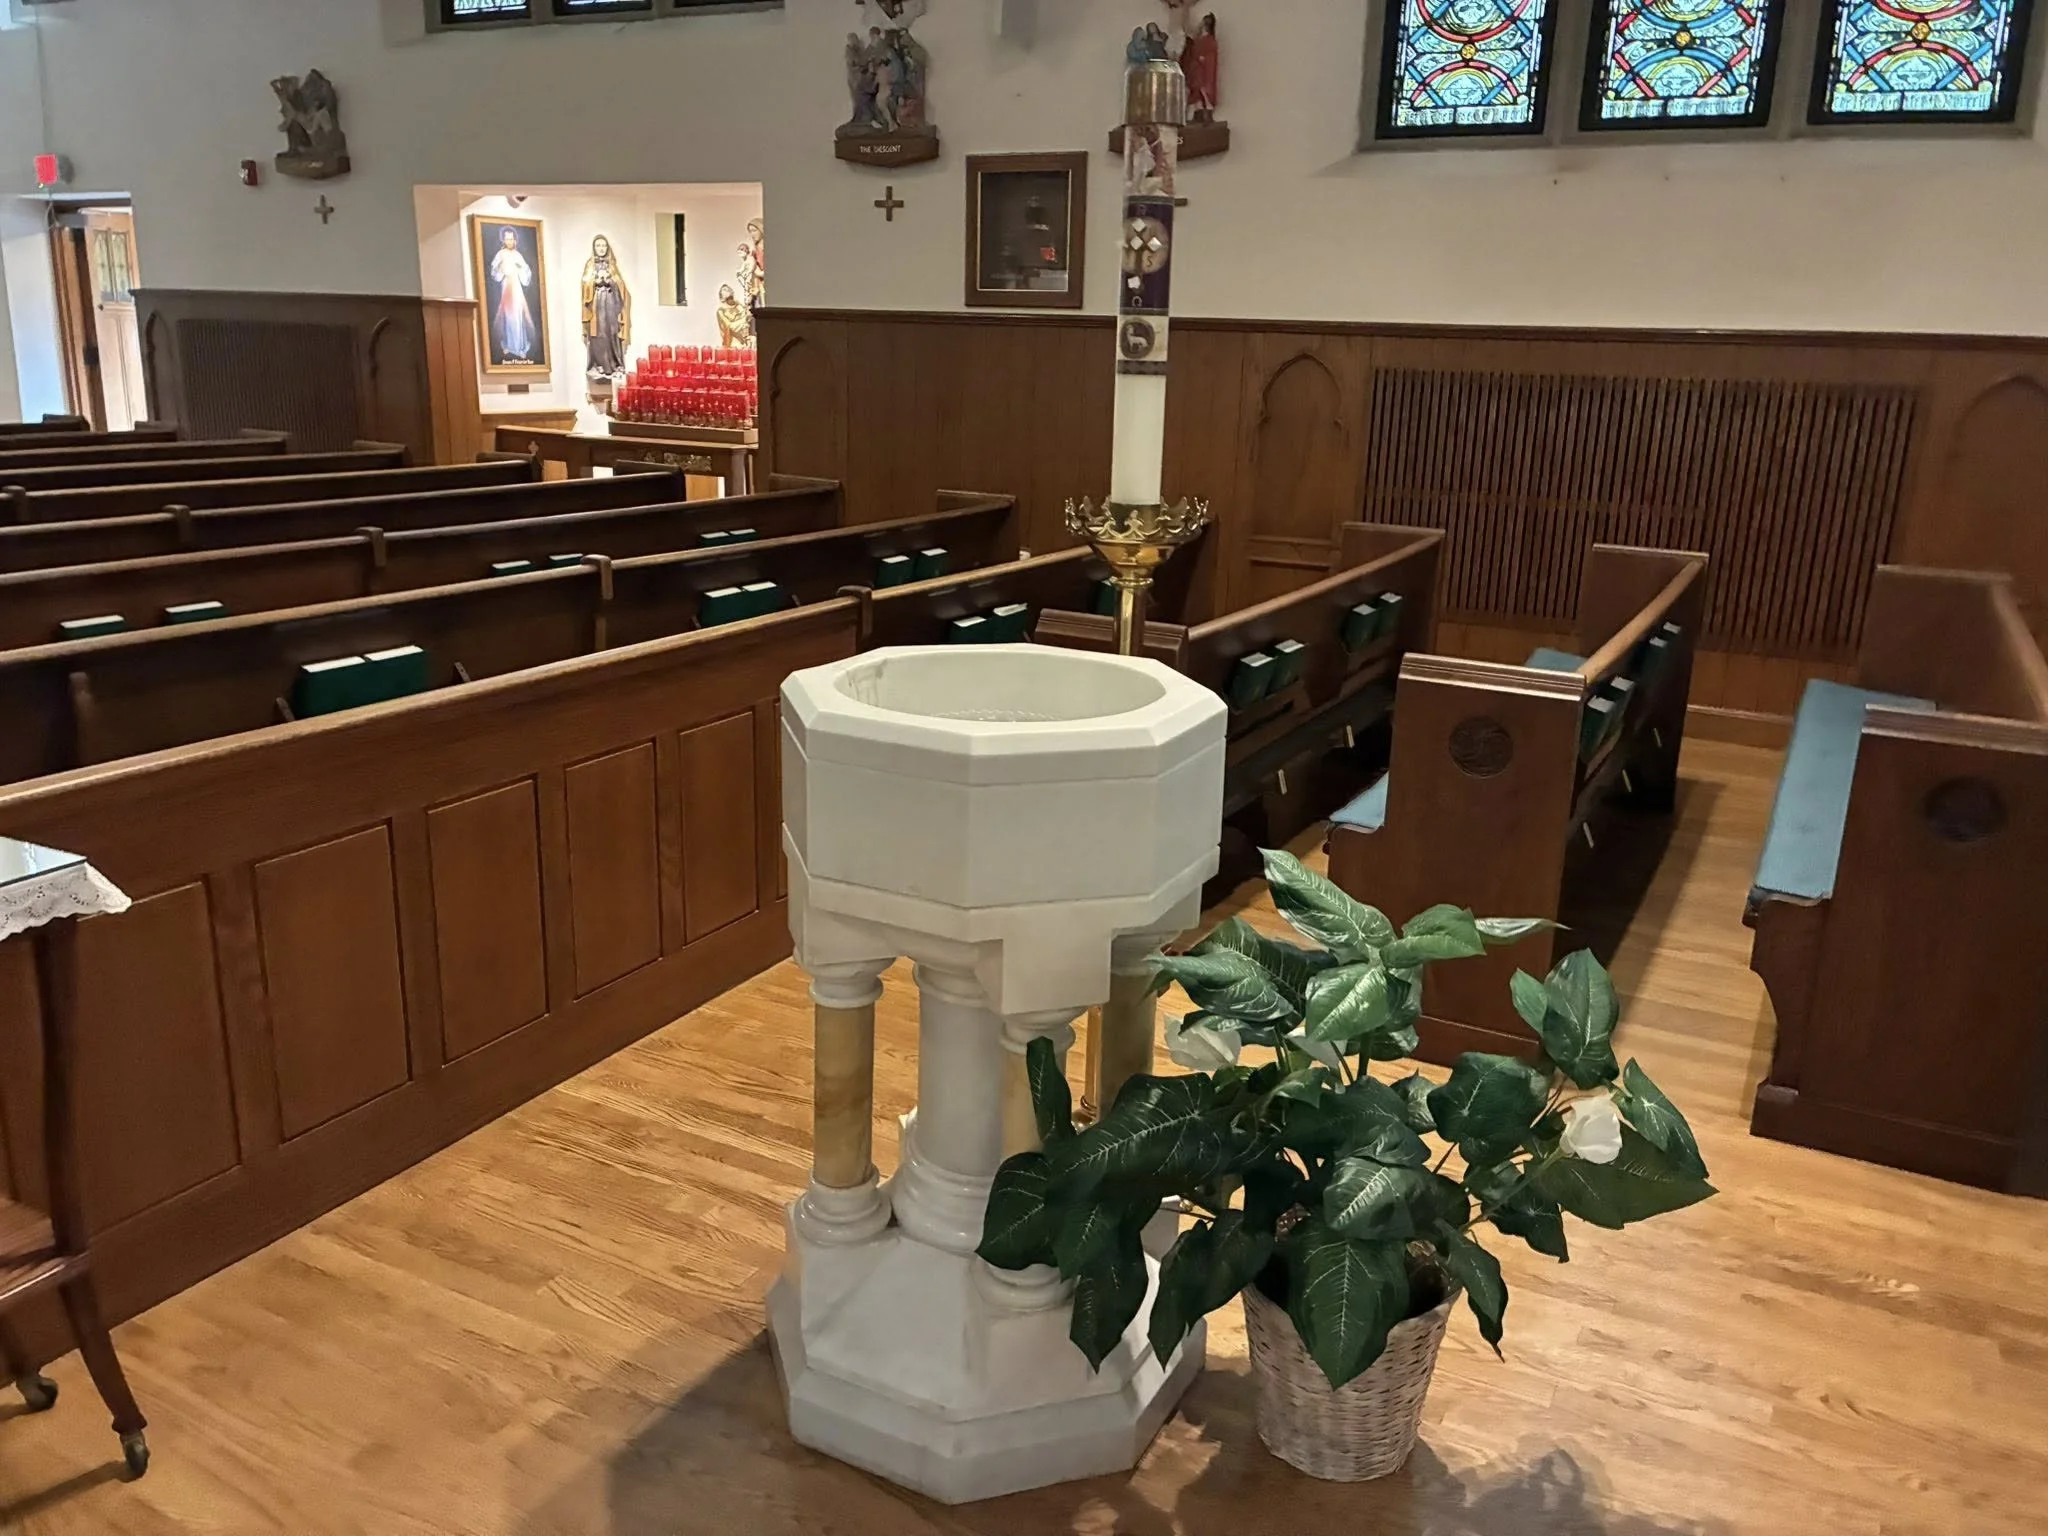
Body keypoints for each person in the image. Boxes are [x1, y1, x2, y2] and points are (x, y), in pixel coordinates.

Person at [581, 233, 631, 379]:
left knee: (611, 332)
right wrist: (595, 281)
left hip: (610, 302)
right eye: (598, 245)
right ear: (594, 248)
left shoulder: (612, 265)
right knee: (598, 334)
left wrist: (610, 281)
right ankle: (599, 365)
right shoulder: (590, 265)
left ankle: (614, 364)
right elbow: (584, 285)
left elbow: (621, 286)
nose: (601, 249)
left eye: (603, 245)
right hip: (596, 304)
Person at [489, 227, 537, 364]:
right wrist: (501, 270)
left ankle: (520, 347)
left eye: (511, 239)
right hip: (506, 287)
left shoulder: (517, 255)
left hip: (516, 287)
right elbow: (494, 271)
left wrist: (520, 268)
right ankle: (508, 345)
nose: (509, 241)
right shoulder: (500, 254)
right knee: (508, 316)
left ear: (514, 240)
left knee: (518, 316)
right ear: (503, 240)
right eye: (507, 238)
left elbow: (526, 272)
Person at [1183, 13, 1220, 122]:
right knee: (1196, 90)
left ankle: (1206, 111)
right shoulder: (1199, 40)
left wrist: (1201, 58)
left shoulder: (1209, 40)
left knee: (1203, 89)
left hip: (1203, 70)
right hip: (1196, 69)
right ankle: (1197, 112)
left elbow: (1209, 55)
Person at [716, 283, 754, 348]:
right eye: (728, 298)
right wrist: (745, 319)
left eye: (731, 297)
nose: (731, 300)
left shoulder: (739, 305)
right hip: (732, 344)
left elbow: (748, 319)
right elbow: (731, 327)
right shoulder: (721, 311)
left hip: (745, 341)